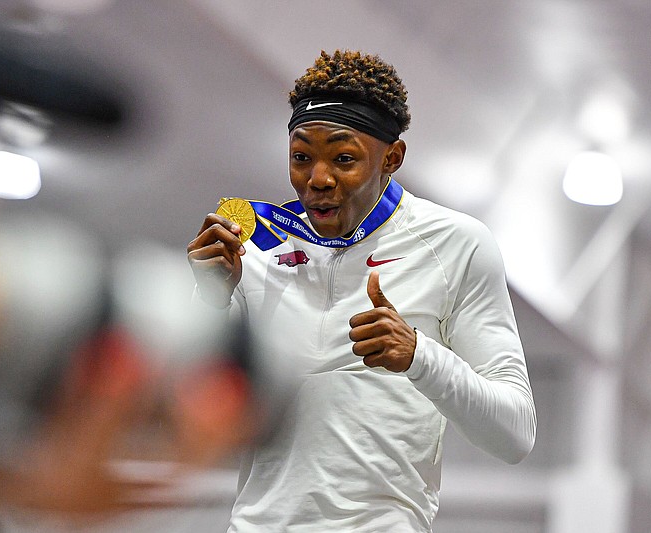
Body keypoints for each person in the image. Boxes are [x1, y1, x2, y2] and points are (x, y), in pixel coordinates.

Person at [187, 49, 536, 532]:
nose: (319, 179)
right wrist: (209, 303)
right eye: (301, 157)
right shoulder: (255, 246)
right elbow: (193, 427)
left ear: (392, 158)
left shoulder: (454, 243)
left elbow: (515, 434)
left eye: (344, 158)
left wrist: (419, 356)